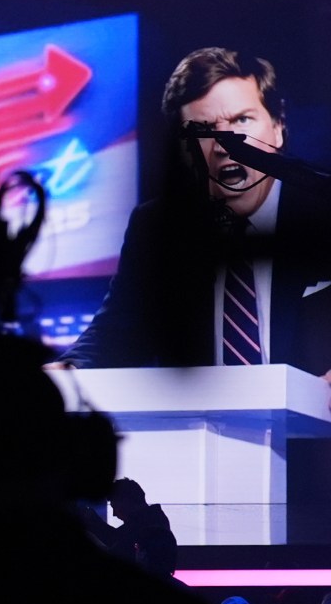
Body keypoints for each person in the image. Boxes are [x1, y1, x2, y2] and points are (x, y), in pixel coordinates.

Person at [66, 48, 329, 378]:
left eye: (241, 120)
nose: (223, 145)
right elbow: (116, 335)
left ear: (278, 127)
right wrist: (67, 369)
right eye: (201, 131)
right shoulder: (158, 227)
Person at [99, 477, 180, 579]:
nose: (115, 514)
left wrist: (91, 520)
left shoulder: (145, 523)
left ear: (127, 502)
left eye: (115, 507)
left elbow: (114, 539)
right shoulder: (154, 519)